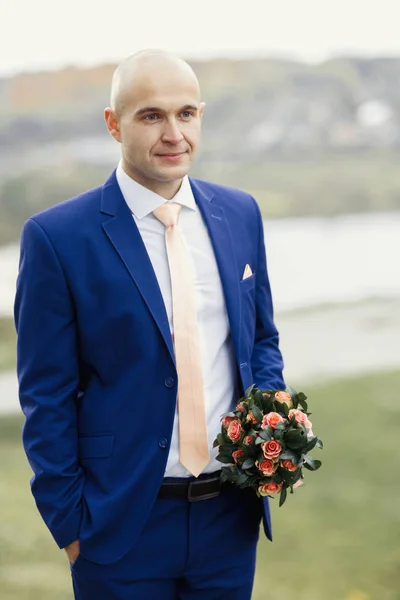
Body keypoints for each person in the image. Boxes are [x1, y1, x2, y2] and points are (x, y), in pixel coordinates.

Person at [14, 49, 285, 600]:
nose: (173, 133)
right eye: (151, 115)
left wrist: (273, 433)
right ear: (114, 124)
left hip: (228, 519)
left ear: (201, 117)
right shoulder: (57, 237)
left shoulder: (240, 213)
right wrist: (71, 526)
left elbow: (260, 343)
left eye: (186, 114)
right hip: (118, 529)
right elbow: (46, 394)